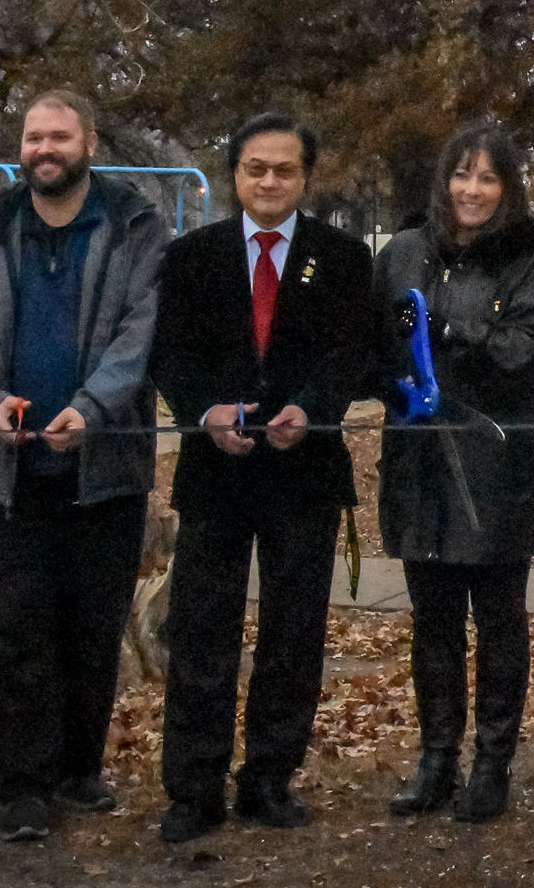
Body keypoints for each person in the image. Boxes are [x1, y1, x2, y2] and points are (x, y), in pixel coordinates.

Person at [0, 90, 166, 843]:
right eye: (34, 136)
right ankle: (22, 785)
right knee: (12, 630)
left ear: (89, 141)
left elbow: (141, 331)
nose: (44, 148)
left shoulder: (134, 221)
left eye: (58, 136)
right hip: (3, 468)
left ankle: (78, 769)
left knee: (92, 625)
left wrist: (93, 409)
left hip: (104, 466)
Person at [151, 113, 372, 844]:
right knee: (201, 630)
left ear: (306, 176)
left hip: (303, 471)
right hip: (216, 474)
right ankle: (193, 786)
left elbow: (350, 351)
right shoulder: (190, 257)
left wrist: (312, 407)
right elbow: (170, 355)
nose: (269, 182)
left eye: (283, 169)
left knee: (293, 632)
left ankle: (270, 778)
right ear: (234, 174)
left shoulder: (341, 258)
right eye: (255, 168)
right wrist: (205, 411)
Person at [374, 124, 534, 824]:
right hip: (419, 459)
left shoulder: (527, 260)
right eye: (462, 174)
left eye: (488, 178)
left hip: (496, 464)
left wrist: (457, 333)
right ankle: (435, 759)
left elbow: (529, 354)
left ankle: (492, 763)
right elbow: (372, 346)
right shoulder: (402, 252)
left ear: (507, 188)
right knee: (432, 621)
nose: (472, 190)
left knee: (500, 619)